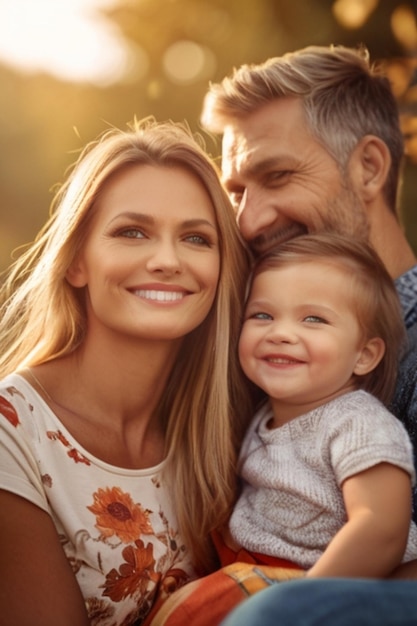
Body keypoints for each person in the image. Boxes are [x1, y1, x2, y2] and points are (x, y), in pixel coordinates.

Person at [0, 118, 252, 626]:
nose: (167, 260)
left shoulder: (229, 429)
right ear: (77, 262)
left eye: (197, 238)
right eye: (131, 232)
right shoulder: (13, 435)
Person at [199, 43, 417, 626]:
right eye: (238, 190)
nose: (249, 220)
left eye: (278, 176)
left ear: (368, 168)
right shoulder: (255, 348)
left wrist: (292, 608)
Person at [228, 233, 417, 578]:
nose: (280, 333)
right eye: (262, 315)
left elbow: (381, 529)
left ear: (364, 355)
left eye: (313, 319)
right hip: (254, 571)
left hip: (322, 589)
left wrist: (302, 603)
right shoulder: (263, 416)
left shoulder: (357, 422)